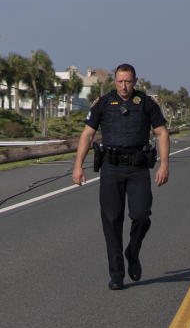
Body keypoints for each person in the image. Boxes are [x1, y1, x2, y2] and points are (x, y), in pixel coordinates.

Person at [72, 64, 171, 290]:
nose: (124, 86)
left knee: (141, 215)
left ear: (135, 81)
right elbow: (87, 134)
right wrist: (78, 166)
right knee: (112, 221)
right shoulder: (103, 104)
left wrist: (164, 164)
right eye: (120, 82)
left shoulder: (146, 103)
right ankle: (117, 274)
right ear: (114, 82)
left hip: (138, 169)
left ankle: (133, 251)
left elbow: (162, 132)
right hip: (111, 168)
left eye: (128, 81)